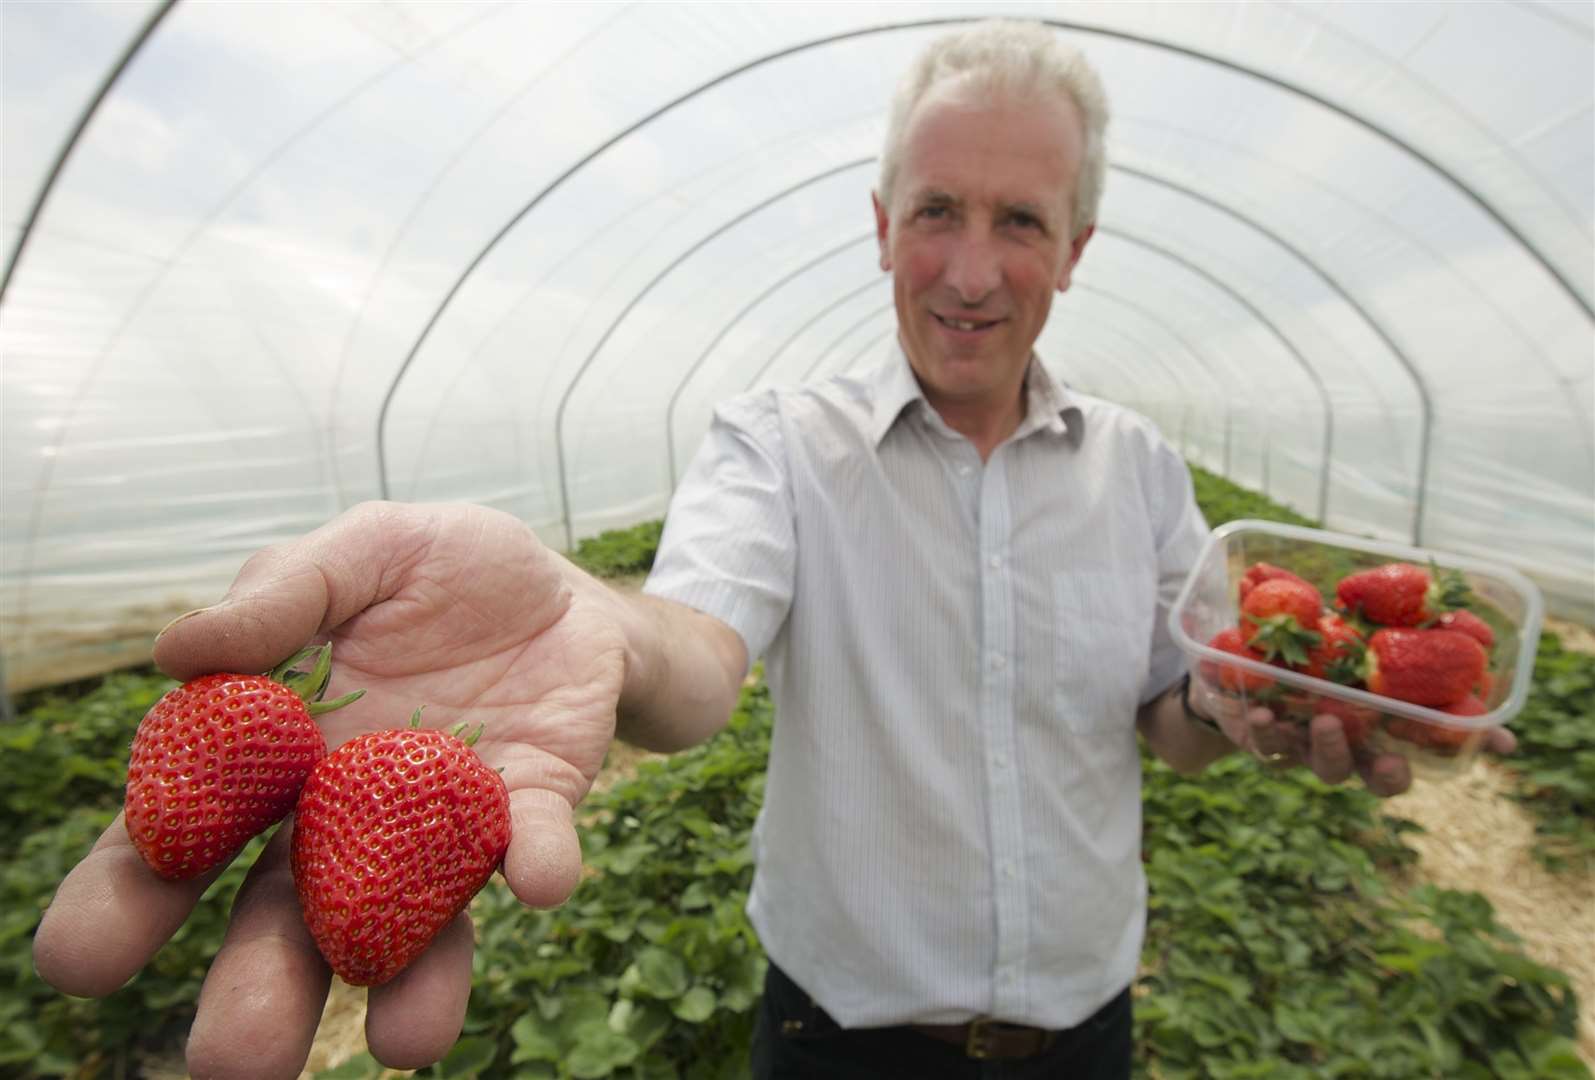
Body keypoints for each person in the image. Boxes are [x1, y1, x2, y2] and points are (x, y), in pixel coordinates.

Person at [33, 19, 1512, 1080]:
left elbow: (1169, 720)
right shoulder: (778, 446)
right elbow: (694, 656)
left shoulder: (1138, 473)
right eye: (937, 212)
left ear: (1078, 246)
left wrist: (1240, 705)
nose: (974, 270)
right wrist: (598, 631)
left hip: (1088, 1033)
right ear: (880, 226)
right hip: (835, 1044)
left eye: (1021, 220)